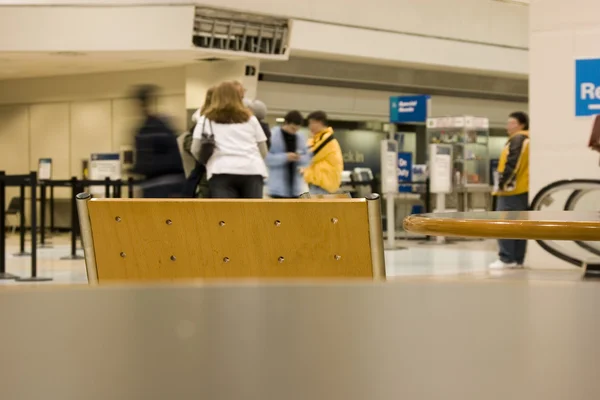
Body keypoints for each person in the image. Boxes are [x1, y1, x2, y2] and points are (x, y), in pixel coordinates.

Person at [191, 81, 268, 199]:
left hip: (221, 171)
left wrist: (208, 162)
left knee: (227, 214)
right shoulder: (250, 118)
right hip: (252, 170)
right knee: (252, 214)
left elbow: (195, 149)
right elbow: (263, 149)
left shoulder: (206, 119)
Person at [489, 111, 530, 269]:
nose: (508, 126)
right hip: (521, 188)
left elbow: (513, 162)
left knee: (504, 223)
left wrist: (502, 183)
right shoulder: (525, 139)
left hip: (511, 190)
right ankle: (517, 259)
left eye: (511, 123)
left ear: (521, 124)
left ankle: (506, 258)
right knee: (519, 225)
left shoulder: (519, 139)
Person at [130, 84, 185, 198]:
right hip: (171, 182)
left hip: (159, 184)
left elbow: (147, 160)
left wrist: (136, 169)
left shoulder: (147, 129)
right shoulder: (165, 125)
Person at [266, 110, 311, 198]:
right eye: (292, 128)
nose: (294, 132)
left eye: (297, 129)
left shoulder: (300, 137)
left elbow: (307, 158)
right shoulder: (273, 135)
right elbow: (266, 159)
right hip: (277, 189)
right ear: (286, 123)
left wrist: (299, 158)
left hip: (296, 189)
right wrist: (285, 157)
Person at [303, 111, 343, 195]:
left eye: (312, 123)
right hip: (316, 184)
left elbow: (310, 156)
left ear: (319, 122)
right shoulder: (316, 139)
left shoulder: (327, 138)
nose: (310, 126)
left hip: (323, 186)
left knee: (315, 208)